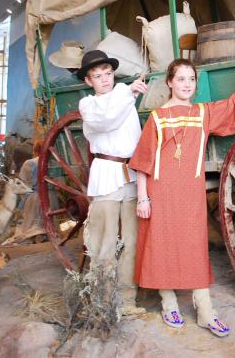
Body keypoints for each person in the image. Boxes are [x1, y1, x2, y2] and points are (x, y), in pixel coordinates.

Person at [129, 53, 235, 336]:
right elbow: (143, 161)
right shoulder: (158, 117)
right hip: (160, 191)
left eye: (191, 79)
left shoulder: (202, 113)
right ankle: (169, 304)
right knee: (162, 245)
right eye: (181, 79)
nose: (187, 84)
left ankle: (205, 311)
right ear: (169, 82)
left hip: (190, 194)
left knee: (194, 248)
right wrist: (143, 198)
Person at [77, 49, 148, 316]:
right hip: (106, 175)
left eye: (108, 74)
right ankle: (102, 299)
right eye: (98, 76)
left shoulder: (122, 93)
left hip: (130, 174)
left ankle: (127, 298)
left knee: (131, 240)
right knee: (104, 242)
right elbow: (107, 121)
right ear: (88, 81)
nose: (105, 79)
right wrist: (128, 94)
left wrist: (126, 93)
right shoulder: (88, 105)